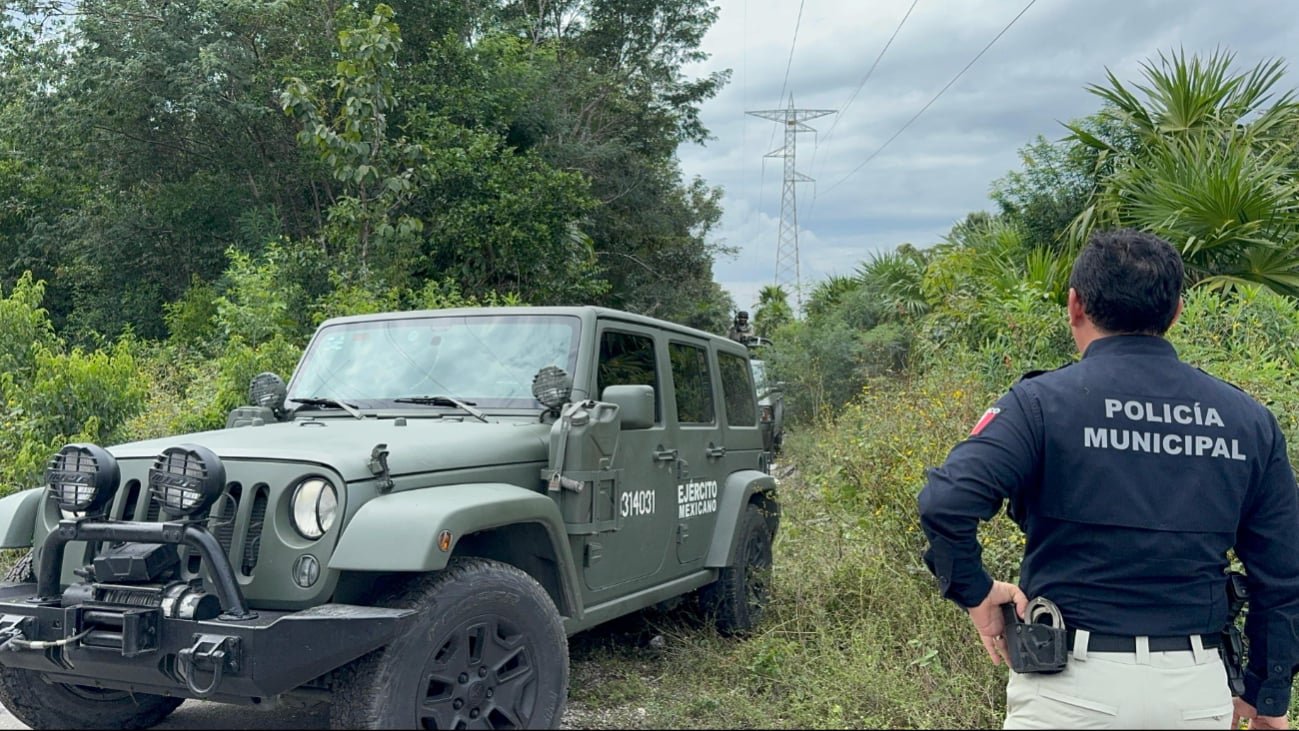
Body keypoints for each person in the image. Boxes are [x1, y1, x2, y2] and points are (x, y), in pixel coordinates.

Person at [917, 228, 1299, 730]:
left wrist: (976, 592)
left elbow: (945, 503)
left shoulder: (1039, 404)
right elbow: (1284, 572)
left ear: (1075, 305)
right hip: (1195, 691)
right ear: (1176, 311)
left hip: (1069, 688)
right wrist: (1267, 696)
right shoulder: (1246, 419)